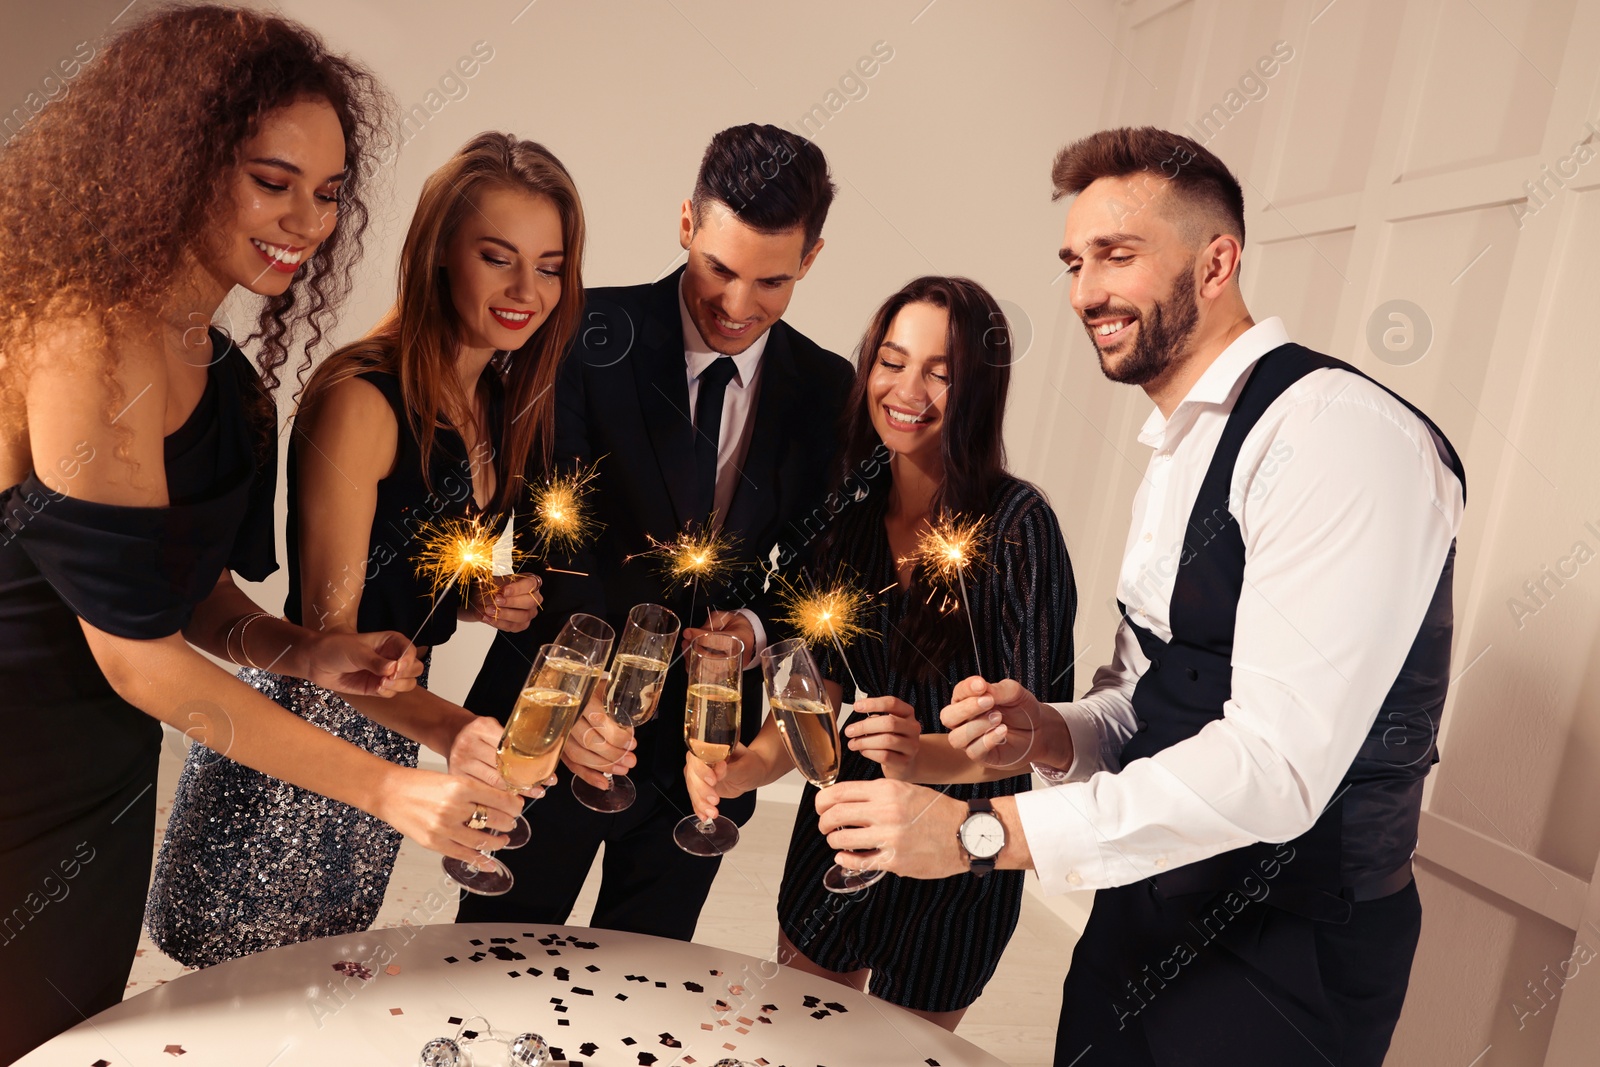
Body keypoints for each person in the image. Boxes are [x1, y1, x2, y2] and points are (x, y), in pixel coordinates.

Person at [814, 127, 1465, 1067]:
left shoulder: (1340, 437)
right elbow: (1149, 697)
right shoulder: (1178, 444)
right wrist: (1050, 731)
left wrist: (981, 830)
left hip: (1289, 950)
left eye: (1118, 255)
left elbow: (1277, 769)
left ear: (1217, 260)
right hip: (1144, 906)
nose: (1085, 293)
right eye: (1075, 262)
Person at [0, 10, 523, 1059]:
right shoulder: (85, 334)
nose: (309, 220)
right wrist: (384, 786)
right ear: (176, 162)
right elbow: (134, 650)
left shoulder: (230, 381)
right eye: (271, 181)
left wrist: (304, 648)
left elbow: (192, 600)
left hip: (105, 772)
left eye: (329, 192)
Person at [146, 132, 585, 966]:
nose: (527, 289)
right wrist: (457, 731)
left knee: (318, 990)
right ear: (438, 256)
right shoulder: (362, 396)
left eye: (551, 265)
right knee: (232, 986)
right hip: (306, 732)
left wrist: (467, 598)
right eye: (498, 257)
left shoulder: (497, 395)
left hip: (385, 735)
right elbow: (331, 639)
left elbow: (400, 556)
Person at [456, 124, 854, 941]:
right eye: (719, 268)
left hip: (705, 755)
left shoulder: (827, 387)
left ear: (811, 259)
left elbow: (820, 574)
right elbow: (552, 538)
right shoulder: (579, 331)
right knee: (488, 963)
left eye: (772, 281)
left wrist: (748, 631)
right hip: (553, 710)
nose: (738, 307)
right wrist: (577, 708)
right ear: (685, 223)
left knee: (647, 981)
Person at [684, 275, 1077, 1029]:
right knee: (793, 1038)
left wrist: (919, 754)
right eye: (892, 361)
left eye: (941, 371)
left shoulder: (1019, 527)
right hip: (837, 826)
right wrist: (745, 766)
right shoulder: (844, 509)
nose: (908, 389)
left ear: (979, 391)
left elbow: (1029, 744)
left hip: (958, 858)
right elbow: (814, 702)